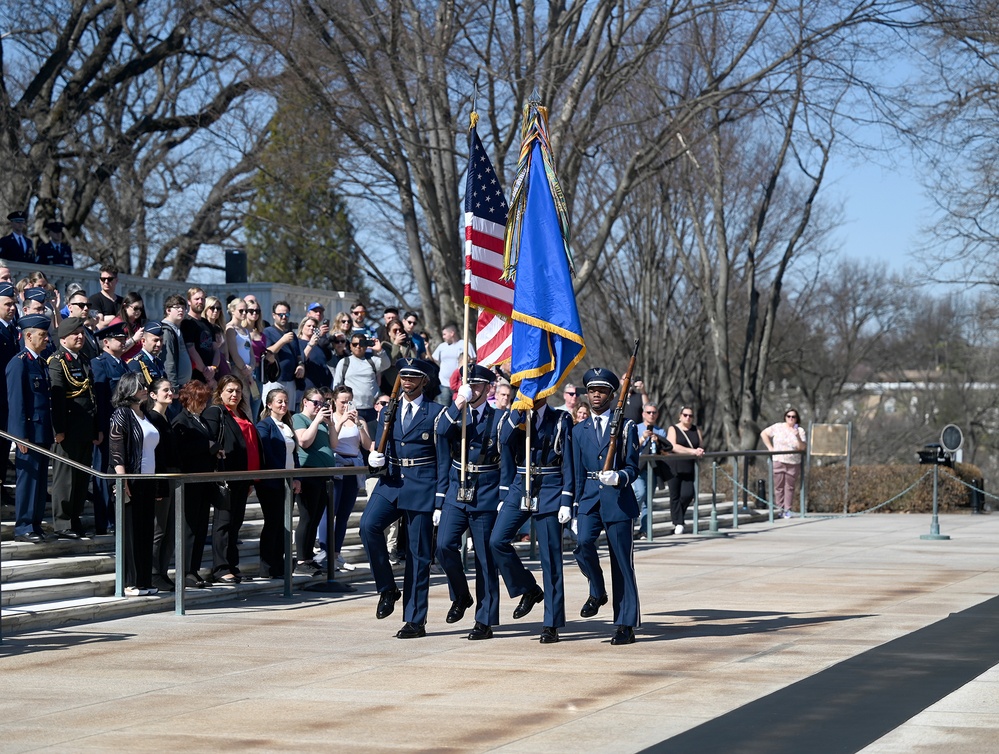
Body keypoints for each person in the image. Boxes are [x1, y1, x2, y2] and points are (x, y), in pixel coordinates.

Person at [362, 358, 448, 639]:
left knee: (417, 554)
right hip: (393, 481)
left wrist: (439, 498)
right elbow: (381, 448)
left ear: (425, 380)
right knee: (368, 527)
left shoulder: (436, 413)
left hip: (422, 484)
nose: (408, 381)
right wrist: (373, 459)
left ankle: (414, 619)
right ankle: (387, 588)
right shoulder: (389, 410)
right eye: (404, 376)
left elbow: (443, 459)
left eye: (414, 376)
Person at [489, 394, 574, 644]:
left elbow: (568, 461)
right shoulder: (513, 417)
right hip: (520, 484)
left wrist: (568, 499)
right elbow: (503, 442)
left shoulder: (560, 419)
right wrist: (517, 415)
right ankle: (528, 587)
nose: (530, 394)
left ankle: (552, 622)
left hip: (550, 486)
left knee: (550, 557)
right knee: (497, 541)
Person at [572, 368, 642, 645]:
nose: (596, 395)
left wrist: (620, 476)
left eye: (602, 390)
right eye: (591, 390)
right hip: (589, 499)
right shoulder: (579, 430)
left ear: (613, 395)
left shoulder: (626, 426)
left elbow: (633, 468)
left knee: (622, 563)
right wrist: (574, 506)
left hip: (618, 501)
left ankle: (625, 624)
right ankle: (597, 589)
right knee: (582, 545)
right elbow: (576, 472)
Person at [435, 364, 505, 640]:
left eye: (478, 385)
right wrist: (458, 403)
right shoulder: (453, 413)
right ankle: (461, 595)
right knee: (443, 545)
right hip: (457, 488)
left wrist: (502, 495)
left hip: (486, 491)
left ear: (489, 388)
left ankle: (484, 619)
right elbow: (440, 432)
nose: (473, 389)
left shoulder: (498, 417)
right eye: (469, 384)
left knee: (485, 559)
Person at [202, 375, 261, 584]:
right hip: (226, 477)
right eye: (229, 390)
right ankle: (220, 568)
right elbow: (207, 439)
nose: (234, 394)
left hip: (244, 477)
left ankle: (232, 566)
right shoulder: (215, 411)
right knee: (223, 523)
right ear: (220, 392)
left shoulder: (242, 413)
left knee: (235, 524)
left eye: (237, 390)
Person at [48, 316, 101, 538]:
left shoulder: (84, 359)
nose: (80, 337)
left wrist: (96, 427)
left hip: (85, 429)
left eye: (82, 332)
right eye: (75, 334)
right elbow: (57, 399)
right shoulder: (57, 361)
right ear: (63, 338)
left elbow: (91, 397)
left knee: (81, 478)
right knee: (65, 478)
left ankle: (75, 518)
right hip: (67, 430)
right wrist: (58, 430)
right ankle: (62, 523)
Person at [108, 373, 159, 596]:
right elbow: (116, 448)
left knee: (145, 531)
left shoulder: (145, 414)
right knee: (130, 532)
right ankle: (130, 582)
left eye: (145, 386)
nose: (145, 390)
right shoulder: (122, 413)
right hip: (131, 479)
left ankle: (144, 580)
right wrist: (122, 479)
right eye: (140, 387)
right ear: (129, 389)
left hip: (149, 480)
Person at [7, 314, 54, 542]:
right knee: (28, 480)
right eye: (42, 335)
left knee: (40, 480)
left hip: (42, 432)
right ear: (28, 336)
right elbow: (16, 403)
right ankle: (23, 526)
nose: (46, 339)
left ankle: (34, 524)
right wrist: (19, 437)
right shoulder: (19, 362)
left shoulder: (40, 363)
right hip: (28, 434)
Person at [317, 385, 371, 572]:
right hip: (335, 466)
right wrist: (339, 423)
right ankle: (325, 553)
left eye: (349, 401)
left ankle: (336, 554)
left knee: (344, 515)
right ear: (334, 401)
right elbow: (332, 442)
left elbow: (366, 445)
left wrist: (358, 425)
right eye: (342, 401)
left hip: (353, 469)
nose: (346, 405)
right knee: (329, 512)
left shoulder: (359, 420)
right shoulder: (330, 419)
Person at [171, 381, 215, 588]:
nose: (203, 405)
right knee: (189, 528)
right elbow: (181, 449)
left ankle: (194, 569)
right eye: (200, 401)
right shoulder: (181, 420)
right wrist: (206, 445)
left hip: (204, 480)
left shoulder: (202, 420)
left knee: (200, 527)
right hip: (190, 481)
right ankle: (186, 570)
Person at [256, 387, 301, 579]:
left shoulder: (287, 425)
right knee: (273, 523)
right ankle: (268, 566)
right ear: (269, 404)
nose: (283, 405)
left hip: (288, 482)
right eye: (279, 402)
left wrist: (297, 477)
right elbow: (267, 453)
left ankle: (280, 563)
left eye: (285, 401)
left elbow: (294, 453)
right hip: (272, 483)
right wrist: (283, 475)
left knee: (284, 524)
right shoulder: (264, 425)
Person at [90, 322, 130, 535]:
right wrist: (99, 427)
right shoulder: (99, 363)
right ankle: (104, 521)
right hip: (106, 427)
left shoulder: (124, 364)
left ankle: (117, 517)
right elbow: (99, 399)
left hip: (122, 427)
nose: (123, 342)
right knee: (103, 473)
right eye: (118, 339)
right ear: (106, 342)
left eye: (124, 339)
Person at [292, 387, 337, 576]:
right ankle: (301, 559)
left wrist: (332, 423)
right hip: (308, 472)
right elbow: (303, 442)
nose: (319, 406)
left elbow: (334, 445)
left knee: (317, 517)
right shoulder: (299, 418)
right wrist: (317, 421)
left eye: (322, 403)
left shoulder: (322, 422)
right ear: (305, 402)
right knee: (307, 516)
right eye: (316, 403)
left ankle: (309, 557)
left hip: (324, 474)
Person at [145, 378, 180, 591]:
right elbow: (155, 454)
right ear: (153, 395)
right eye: (165, 390)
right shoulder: (152, 418)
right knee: (158, 529)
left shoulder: (168, 417)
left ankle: (163, 571)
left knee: (169, 529)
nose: (169, 393)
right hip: (161, 478)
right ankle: (153, 572)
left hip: (174, 477)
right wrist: (157, 485)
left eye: (171, 389)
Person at [333, 332, 389, 440]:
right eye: (355, 344)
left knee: (371, 439)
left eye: (362, 344)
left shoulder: (372, 361)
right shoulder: (344, 362)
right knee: (355, 439)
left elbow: (386, 364)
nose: (358, 346)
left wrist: (380, 350)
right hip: (353, 409)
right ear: (350, 346)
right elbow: (336, 386)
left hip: (372, 409)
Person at [760, 408, 807, 518]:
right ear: (785, 417)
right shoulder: (778, 427)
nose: (791, 418)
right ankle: (779, 509)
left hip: (793, 462)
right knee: (779, 487)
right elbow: (764, 434)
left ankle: (787, 510)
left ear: (796, 419)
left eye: (793, 417)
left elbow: (802, 447)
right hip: (779, 460)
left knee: (789, 487)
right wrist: (770, 448)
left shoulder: (800, 431)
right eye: (788, 416)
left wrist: (797, 437)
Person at [666, 406, 705, 534]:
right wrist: (692, 451)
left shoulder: (696, 430)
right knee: (675, 495)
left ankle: (678, 517)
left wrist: (699, 451)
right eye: (685, 415)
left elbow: (700, 444)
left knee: (688, 494)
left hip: (689, 466)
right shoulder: (673, 429)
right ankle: (678, 522)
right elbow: (673, 446)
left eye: (690, 415)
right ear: (680, 416)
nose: (688, 418)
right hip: (674, 466)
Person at [633, 403, 671, 537]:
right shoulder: (636, 428)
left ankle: (645, 530)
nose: (651, 415)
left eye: (654, 412)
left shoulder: (660, 431)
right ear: (643, 414)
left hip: (653, 468)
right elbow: (631, 448)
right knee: (640, 494)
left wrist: (658, 440)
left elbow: (665, 451)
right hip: (638, 468)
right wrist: (643, 438)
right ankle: (630, 522)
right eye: (648, 412)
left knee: (648, 500)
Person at [0, 282, 20, 505]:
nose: (13, 307)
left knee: (4, 447)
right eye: (8, 304)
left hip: (7, 398)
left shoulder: (11, 330)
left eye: (14, 303)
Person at [263, 300, 305, 408]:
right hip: (275, 379)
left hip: (290, 380)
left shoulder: (291, 334)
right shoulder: (267, 332)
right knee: (273, 411)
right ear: (274, 315)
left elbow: (298, 354)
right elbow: (267, 352)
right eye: (280, 314)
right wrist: (282, 341)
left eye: (286, 314)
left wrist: (301, 365)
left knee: (288, 413)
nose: (283, 317)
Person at [181, 287, 218, 386]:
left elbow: (215, 349)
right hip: (195, 378)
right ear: (189, 301)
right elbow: (191, 349)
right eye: (196, 299)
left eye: (202, 299)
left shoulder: (207, 323)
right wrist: (205, 371)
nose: (200, 301)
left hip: (211, 377)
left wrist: (213, 368)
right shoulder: (186, 322)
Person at [431, 322, 473, 405]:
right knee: (443, 410)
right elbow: (433, 360)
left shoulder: (465, 345)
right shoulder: (442, 346)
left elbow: (472, 361)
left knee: (459, 411)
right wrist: (427, 349)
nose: (443, 337)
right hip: (444, 385)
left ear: (452, 333)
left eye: (444, 334)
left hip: (460, 386)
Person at [160, 295, 192, 397]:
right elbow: (168, 361)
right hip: (174, 389)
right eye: (177, 307)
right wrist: (173, 387)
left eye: (183, 308)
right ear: (168, 310)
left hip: (182, 386)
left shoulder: (177, 329)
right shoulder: (166, 331)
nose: (181, 310)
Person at [108, 291, 146, 361]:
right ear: (125, 306)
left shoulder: (136, 323)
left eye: (141, 308)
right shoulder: (118, 323)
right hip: (125, 364)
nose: (139, 311)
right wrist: (134, 339)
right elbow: (116, 349)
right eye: (135, 308)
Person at [127, 321, 166, 385]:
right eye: (155, 340)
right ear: (143, 341)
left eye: (161, 340)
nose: (159, 344)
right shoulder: (136, 363)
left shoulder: (158, 361)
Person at [299, 317, 331, 391]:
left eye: (314, 326)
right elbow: (301, 359)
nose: (311, 328)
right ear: (302, 327)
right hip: (306, 387)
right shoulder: (298, 343)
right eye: (309, 326)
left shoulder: (319, 345)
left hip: (322, 387)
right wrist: (310, 344)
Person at [204, 295, 230, 377]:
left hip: (222, 364)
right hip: (209, 366)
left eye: (218, 308)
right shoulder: (202, 327)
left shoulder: (220, 327)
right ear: (205, 309)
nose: (215, 311)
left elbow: (225, 350)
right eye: (212, 308)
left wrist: (227, 361)